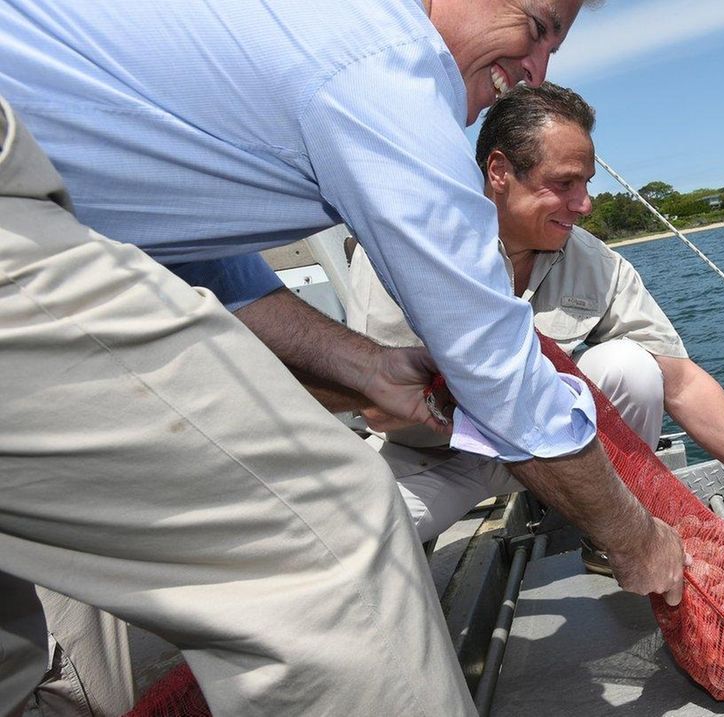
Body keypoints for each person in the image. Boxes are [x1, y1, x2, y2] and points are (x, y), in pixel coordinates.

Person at [0, 0, 686, 715]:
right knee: (336, 543)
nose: (537, 67)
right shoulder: (382, 64)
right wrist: (634, 536)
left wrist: (365, 366)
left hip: (50, 211)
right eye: (536, 26)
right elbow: (501, 372)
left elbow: (204, 260)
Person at [347, 82, 724, 554]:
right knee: (355, 544)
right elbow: (376, 408)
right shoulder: (404, 247)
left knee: (631, 368)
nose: (585, 204)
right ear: (499, 171)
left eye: (586, 183)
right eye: (564, 184)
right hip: (435, 457)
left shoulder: (596, 264)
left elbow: (681, 383)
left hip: (550, 451)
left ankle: (605, 538)